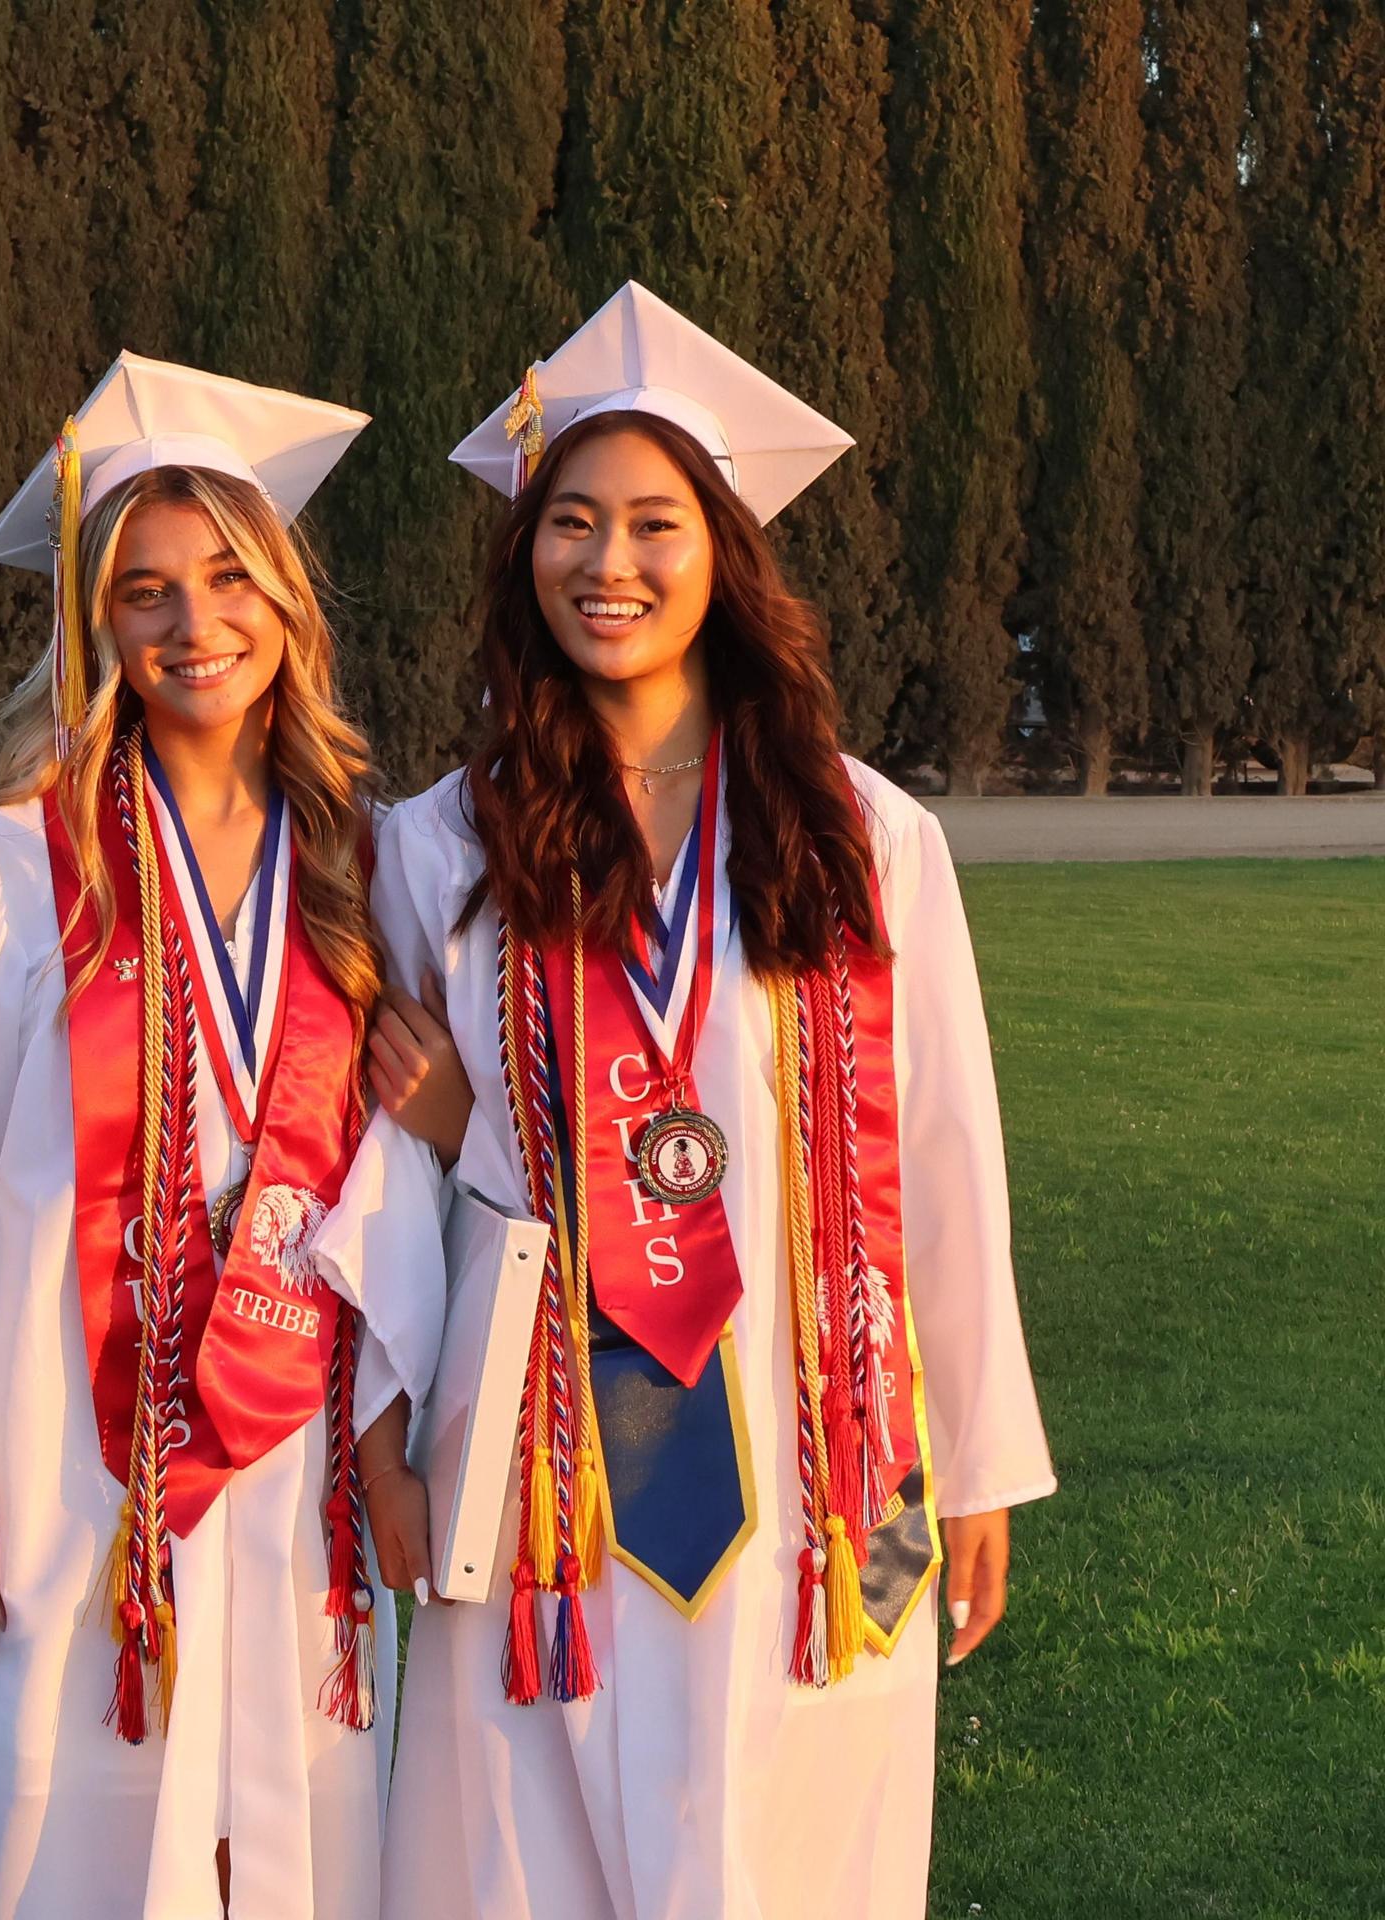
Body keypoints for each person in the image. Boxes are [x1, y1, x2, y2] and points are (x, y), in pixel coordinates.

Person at [365, 284, 1056, 1920]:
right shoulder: (443, 848)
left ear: (725, 548)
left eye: (656, 523)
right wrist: (390, 1447)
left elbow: (949, 1156)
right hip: (546, 1454)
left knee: (829, 1796)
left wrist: (972, 1476)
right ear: (523, 554)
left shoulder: (865, 837)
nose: (610, 566)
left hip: (841, 1458)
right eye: (574, 524)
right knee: (523, 1842)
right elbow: (384, 1185)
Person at [0, 354, 442, 1919]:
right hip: (53, 1448)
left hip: (287, 1454)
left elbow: (389, 1171)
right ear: (94, 625)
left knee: (286, 1838)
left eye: (227, 578)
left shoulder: (357, 867)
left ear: (285, 601)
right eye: (144, 591)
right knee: (49, 1828)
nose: (193, 626)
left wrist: (395, 1431)